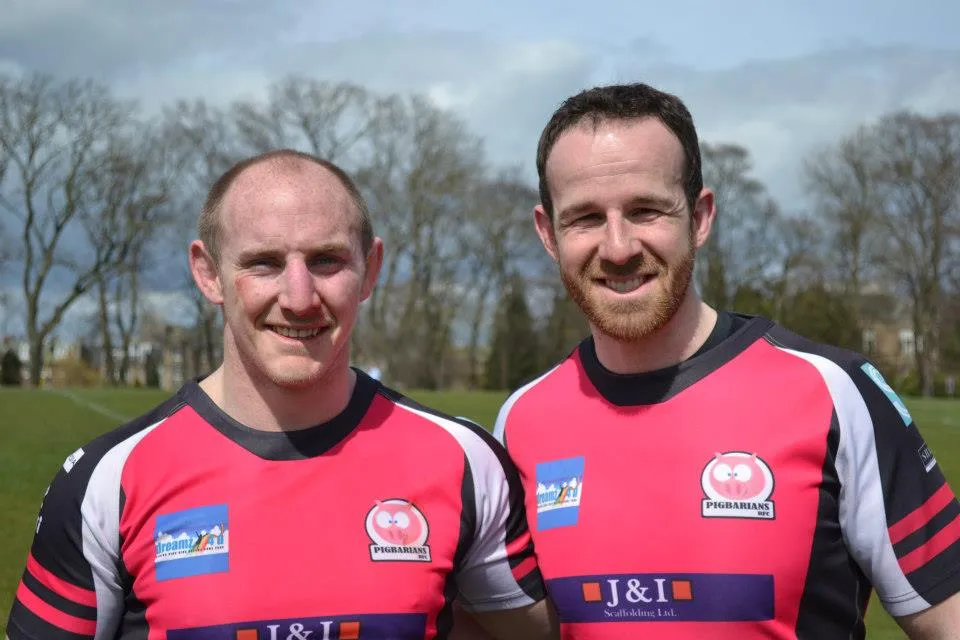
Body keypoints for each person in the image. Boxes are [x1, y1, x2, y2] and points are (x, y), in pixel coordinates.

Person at [6, 149, 558, 640]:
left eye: (326, 261)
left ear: (370, 272)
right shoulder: (107, 481)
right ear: (209, 274)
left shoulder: (463, 460)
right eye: (264, 263)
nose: (298, 298)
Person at [493, 83, 960, 638]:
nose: (617, 247)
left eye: (646, 210)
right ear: (548, 234)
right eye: (586, 218)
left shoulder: (834, 392)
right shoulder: (520, 423)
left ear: (701, 216)